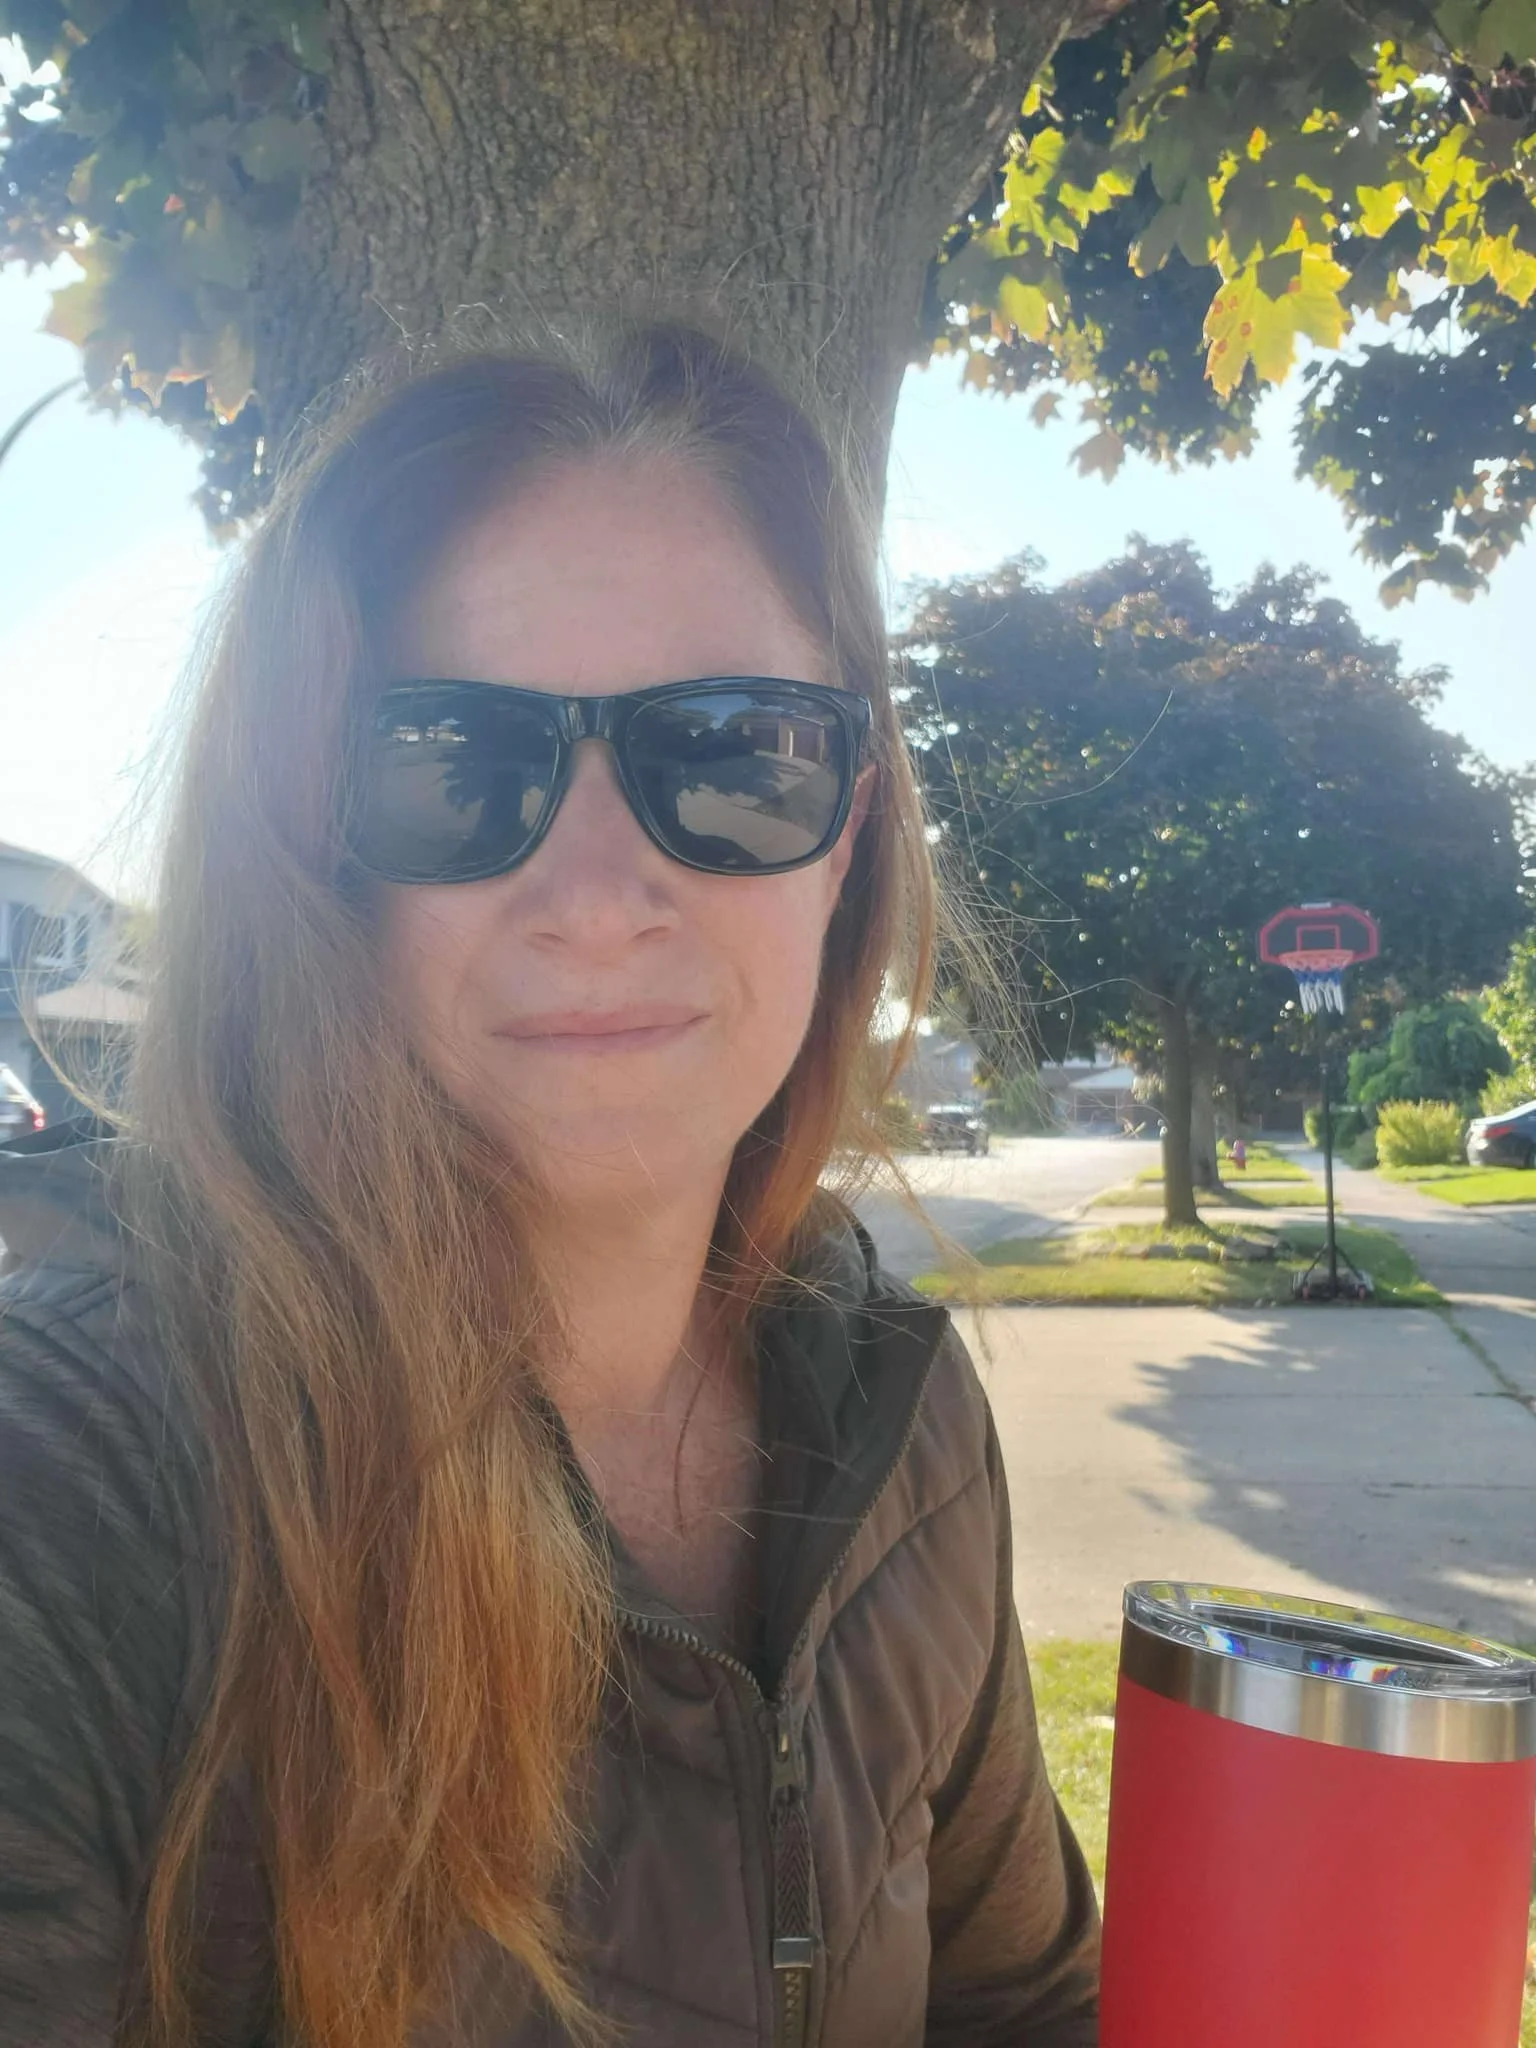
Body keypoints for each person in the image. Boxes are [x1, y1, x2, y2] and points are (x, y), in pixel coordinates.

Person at [0, 319, 1099, 2047]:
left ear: (849, 836)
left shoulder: (899, 1424)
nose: (597, 896)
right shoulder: (73, 1480)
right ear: (313, 853)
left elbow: (1024, 2007)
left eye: (732, 755)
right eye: (447, 763)